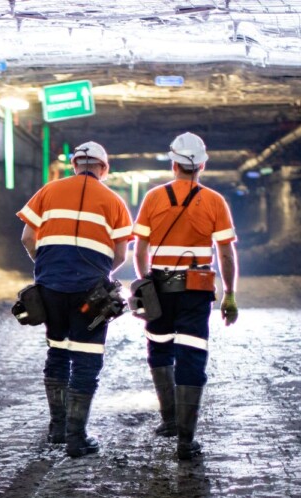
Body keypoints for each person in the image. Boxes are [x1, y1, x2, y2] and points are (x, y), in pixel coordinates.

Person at [18, 141, 133, 458]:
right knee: (86, 357)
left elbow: (28, 238)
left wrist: (46, 268)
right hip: (90, 292)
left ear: (74, 165)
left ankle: (56, 429)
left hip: (51, 287)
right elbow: (122, 253)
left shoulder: (48, 191)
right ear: (103, 168)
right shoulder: (113, 200)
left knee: (58, 351)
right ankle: (76, 436)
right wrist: (97, 273)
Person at [132, 132, 240, 460]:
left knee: (160, 348)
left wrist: (144, 281)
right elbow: (226, 255)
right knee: (192, 354)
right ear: (202, 165)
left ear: (173, 164)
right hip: (197, 287)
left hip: (160, 286)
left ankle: (168, 421)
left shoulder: (152, 198)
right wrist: (230, 293)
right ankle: (185, 441)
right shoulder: (215, 201)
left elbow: (141, 248)